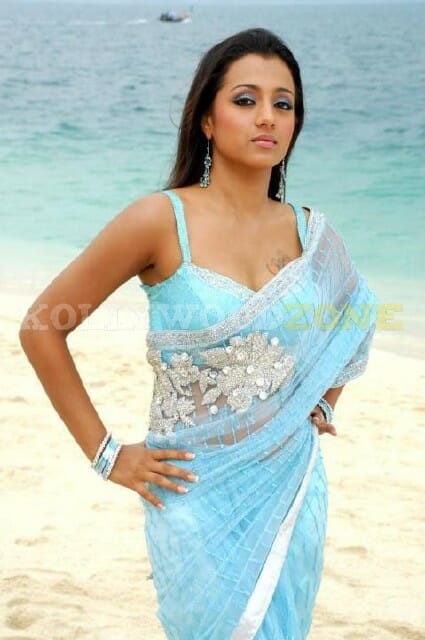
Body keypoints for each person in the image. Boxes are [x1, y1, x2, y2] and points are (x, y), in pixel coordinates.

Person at [19, 28, 378, 640]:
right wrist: (108, 455)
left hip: (289, 487)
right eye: (245, 99)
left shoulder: (311, 232)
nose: (267, 116)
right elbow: (42, 327)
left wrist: (320, 404)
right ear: (206, 119)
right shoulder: (160, 220)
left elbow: (356, 315)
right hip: (191, 493)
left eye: (283, 103)